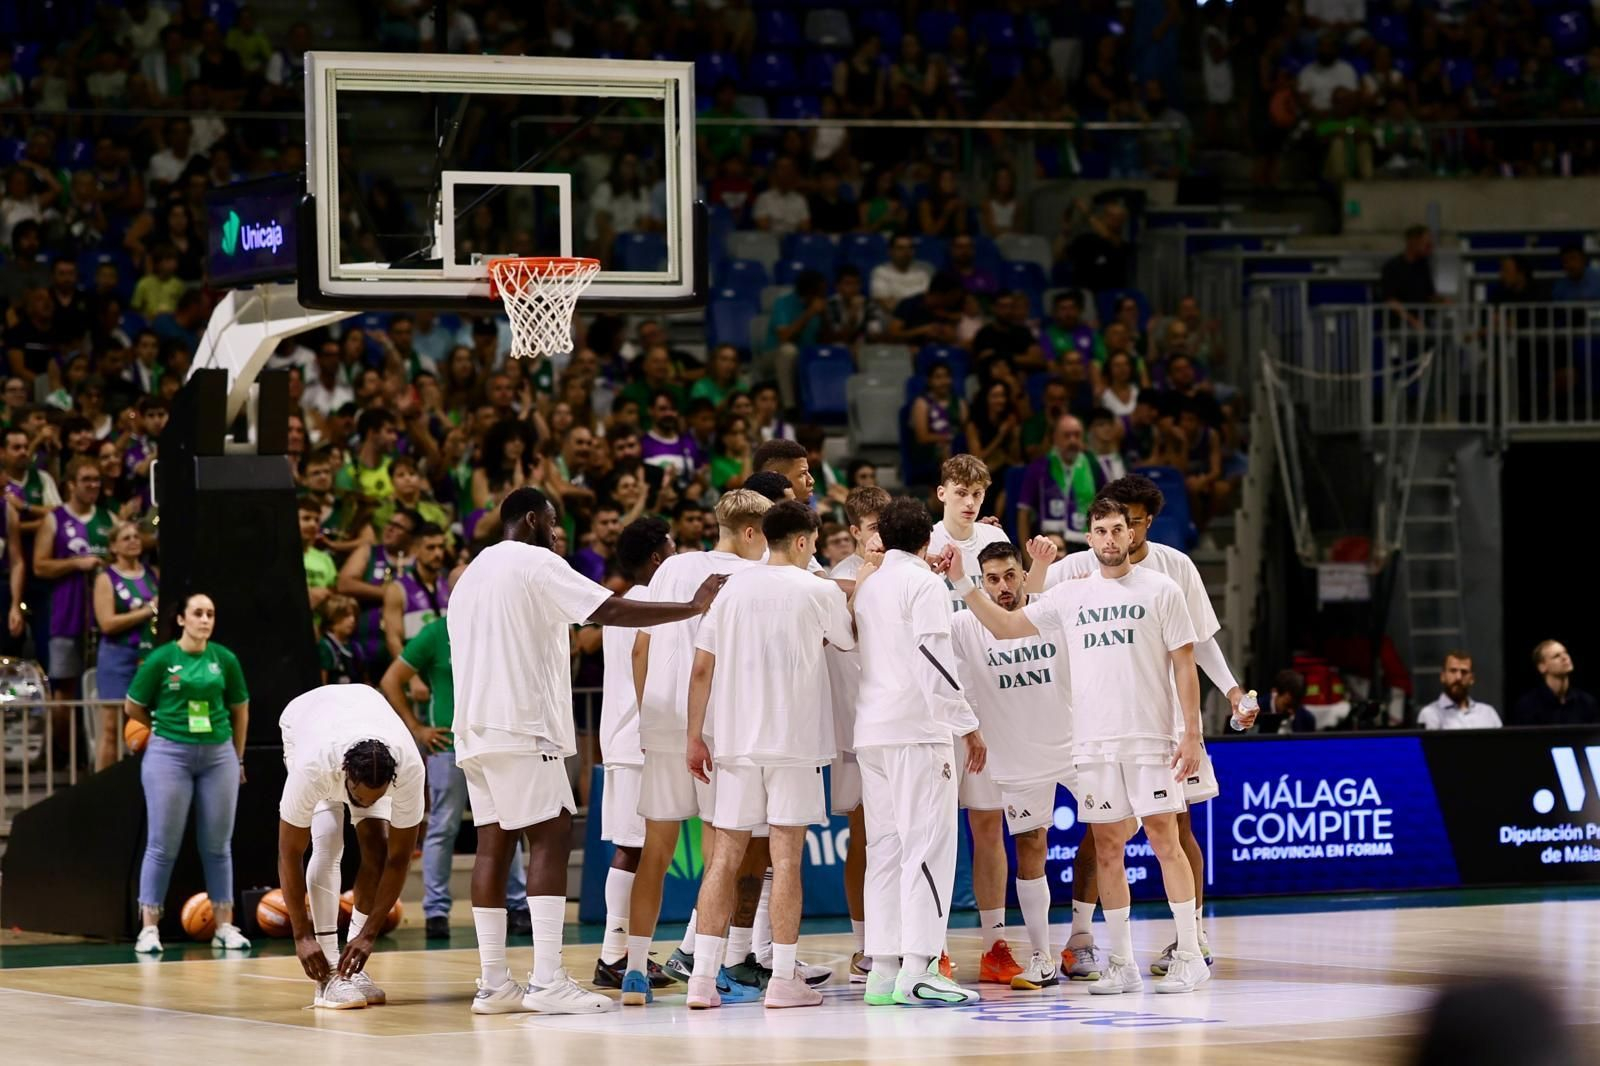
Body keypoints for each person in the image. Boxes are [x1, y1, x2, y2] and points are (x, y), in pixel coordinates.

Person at [448, 487, 725, 1016]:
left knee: (493, 845)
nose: (558, 535)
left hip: (474, 729)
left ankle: (494, 983)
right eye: (552, 523)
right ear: (531, 519)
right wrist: (691, 607)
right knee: (550, 834)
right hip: (522, 723)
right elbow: (610, 607)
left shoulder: (471, 574)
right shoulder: (535, 563)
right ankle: (548, 980)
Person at [954, 498, 1209, 994]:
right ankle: (1122, 963)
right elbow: (1006, 627)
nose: (1111, 539)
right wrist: (964, 584)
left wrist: (1191, 732)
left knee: (1164, 840)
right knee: (1109, 849)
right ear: (1090, 538)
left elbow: (1184, 662)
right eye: (1101, 530)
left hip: (1149, 736)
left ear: (1130, 536)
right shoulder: (1070, 596)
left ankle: (1190, 952)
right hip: (1092, 743)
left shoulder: (1162, 589)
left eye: (1118, 529)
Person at [1037, 474, 1248, 972]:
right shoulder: (1076, 569)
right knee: (1100, 836)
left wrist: (1232, 691)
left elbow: (1197, 643)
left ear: (1145, 523)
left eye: (1128, 524)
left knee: (1175, 829)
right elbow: (1028, 602)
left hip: (1163, 723)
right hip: (1096, 724)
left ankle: (1190, 938)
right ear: (1095, 529)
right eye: (1109, 525)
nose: (1119, 535)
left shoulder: (1173, 568)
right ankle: (1082, 935)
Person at [682, 501, 855, 1009]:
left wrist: (696, 737)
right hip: (794, 744)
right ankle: (782, 980)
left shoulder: (729, 589)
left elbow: (700, 670)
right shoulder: (818, 589)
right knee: (786, 859)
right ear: (802, 541)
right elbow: (846, 641)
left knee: (724, 860)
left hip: (733, 742)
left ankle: (702, 982)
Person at [622, 489, 771, 1005]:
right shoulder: (752, 576)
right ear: (751, 532)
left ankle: (636, 971)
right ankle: (710, 969)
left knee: (654, 855)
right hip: (710, 727)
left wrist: (647, 718)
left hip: (661, 721)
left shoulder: (673, 566)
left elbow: (640, 646)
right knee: (720, 858)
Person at [951, 541, 1103, 987]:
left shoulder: (1053, 609)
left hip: (1075, 748)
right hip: (1017, 758)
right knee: (1030, 848)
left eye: (1010, 576)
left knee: (1112, 831)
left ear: (1024, 575)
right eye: (992, 579)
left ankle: (1081, 937)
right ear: (981, 582)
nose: (1003, 586)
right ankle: (1040, 955)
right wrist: (970, 728)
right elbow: (945, 674)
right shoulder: (963, 623)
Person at [851, 497, 984, 1006]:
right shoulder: (924, 584)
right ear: (926, 538)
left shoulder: (869, 586)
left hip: (874, 731)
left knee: (885, 849)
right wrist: (968, 724)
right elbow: (934, 658)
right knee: (927, 847)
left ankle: (883, 971)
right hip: (917, 730)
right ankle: (920, 970)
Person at [919, 453, 1019, 982]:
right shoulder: (923, 545)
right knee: (934, 831)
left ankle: (995, 945)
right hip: (936, 706)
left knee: (988, 826)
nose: (970, 500)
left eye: (977, 492)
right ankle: (930, 948)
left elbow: (1016, 610)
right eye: (960, 491)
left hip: (987, 699)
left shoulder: (993, 545)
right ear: (942, 494)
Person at [379, 615, 529, 942]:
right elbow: (391, 680)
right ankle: (435, 911)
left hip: (493, 743)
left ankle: (517, 905)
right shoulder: (435, 633)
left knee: (507, 822)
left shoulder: (497, 627)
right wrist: (416, 729)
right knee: (443, 827)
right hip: (448, 746)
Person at [275, 684, 426, 1009]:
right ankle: (328, 973)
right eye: (360, 796)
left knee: (378, 847)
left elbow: (399, 860)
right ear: (345, 775)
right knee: (328, 840)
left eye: (377, 795)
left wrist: (367, 935)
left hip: (363, 707)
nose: (366, 802)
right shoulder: (314, 767)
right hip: (305, 718)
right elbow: (289, 853)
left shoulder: (409, 769)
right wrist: (303, 936)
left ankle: (351, 969)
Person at [125, 593, 249, 955]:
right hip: (169, 755)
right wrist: (161, 726)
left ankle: (224, 925)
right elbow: (132, 705)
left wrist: (238, 758)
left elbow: (240, 709)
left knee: (218, 845)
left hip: (218, 754)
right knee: (163, 844)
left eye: (210, 613)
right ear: (181, 619)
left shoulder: (224, 659)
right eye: (197, 613)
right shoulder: (163, 659)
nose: (205, 620)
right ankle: (149, 927)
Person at [590, 518, 678, 992]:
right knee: (632, 847)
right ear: (658, 558)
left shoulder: (626, 602)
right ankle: (613, 955)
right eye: (673, 547)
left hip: (634, 737)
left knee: (641, 848)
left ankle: (623, 952)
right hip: (635, 738)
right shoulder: (645, 603)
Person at [824, 486, 889, 980]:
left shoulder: (914, 572)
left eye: (886, 524)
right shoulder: (835, 580)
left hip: (906, 723)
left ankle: (915, 942)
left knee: (914, 837)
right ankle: (865, 945)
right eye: (871, 527)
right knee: (864, 836)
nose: (880, 535)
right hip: (856, 727)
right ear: (853, 532)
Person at [34, 456, 113, 710]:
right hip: (65, 613)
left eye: (97, 480)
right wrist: (76, 564)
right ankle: (63, 750)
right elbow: (39, 566)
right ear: (70, 484)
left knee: (103, 685)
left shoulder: (108, 519)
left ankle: (96, 748)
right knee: (64, 689)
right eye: (86, 480)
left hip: (103, 619)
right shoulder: (54, 519)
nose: (93, 485)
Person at [92, 520, 158, 761]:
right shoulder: (106, 579)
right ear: (113, 547)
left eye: (136, 537)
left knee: (150, 727)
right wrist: (148, 610)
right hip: (116, 655)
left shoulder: (154, 574)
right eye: (126, 538)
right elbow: (107, 623)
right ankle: (101, 793)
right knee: (110, 729)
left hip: (149, 656)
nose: (133, 541)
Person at [336, 508, 414, 675]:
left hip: (407, 647)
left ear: (412, 536)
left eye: (398, 526)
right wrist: (390, 594)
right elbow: (344, 584)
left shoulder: (420, 561)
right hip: (366, 644)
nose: (390, 528)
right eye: (389, 523)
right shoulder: (368, 552)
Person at [1016, 414, 1101, 547]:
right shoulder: (1039, 467)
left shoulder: (1092, 465)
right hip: (1045, 542)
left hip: (1084, 543)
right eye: (1066, 436)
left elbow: (1106, 507)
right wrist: (1027, 557)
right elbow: (1023, 513)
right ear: (1054, 438)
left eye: (1077, 435)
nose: (1072, 441)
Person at [381, 521, 448, 660]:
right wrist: (411, 679)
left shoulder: (450, 586)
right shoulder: (398, 589)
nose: (438, 553)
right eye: (431, 547)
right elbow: (393, 641)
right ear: (415, 550)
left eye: (441, 547)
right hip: (416, 668)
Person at [1512, 641, 1600, 726]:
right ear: (1542, 667)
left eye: (1565, 652)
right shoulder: (1528, 706)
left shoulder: (1586, 703)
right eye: (1556, 656)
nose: (1565, 657)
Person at [1417, 652, 1502, 730]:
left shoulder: (1488, 713)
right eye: (1453, 671)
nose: (1458, 677)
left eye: (1464, 672)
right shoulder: (1429, 714)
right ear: (1443, 676)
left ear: (1472, 679)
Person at [1381, 224, 1444, 329]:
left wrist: (1444, 301)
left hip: (1423, 323)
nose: (1430, 248)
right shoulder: (1392, 267)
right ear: (1413, 242)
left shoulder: (1423, 266)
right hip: (1400, 327)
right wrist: (1413, 321)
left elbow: (1429, 294)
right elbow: (1390, 300)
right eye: (1427, 244)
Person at [871, 234, 932, 311]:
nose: (906, 252)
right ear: (890, 251)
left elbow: (932, 300)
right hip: (893, 318)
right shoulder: (880, 272)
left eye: (910, 247)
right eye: (900, 248)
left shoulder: (925, 270)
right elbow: (886, 304)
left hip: (923, 317)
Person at [317, 595, 363, 685]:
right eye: (346, 616)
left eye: (354, 615)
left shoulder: (355, 646)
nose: (352, 620)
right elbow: (323, 684)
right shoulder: (326, 646)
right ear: (332, 617)